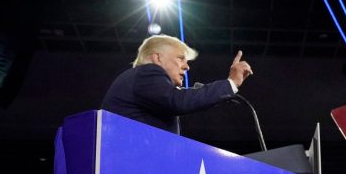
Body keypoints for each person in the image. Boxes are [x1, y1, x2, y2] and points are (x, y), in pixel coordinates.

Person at [101, 35, 253, 133]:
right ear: (157, 58)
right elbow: (178, 100)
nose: (187, 67)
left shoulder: (143, 82)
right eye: (180, 58)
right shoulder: (147, 73)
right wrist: (231, 83)